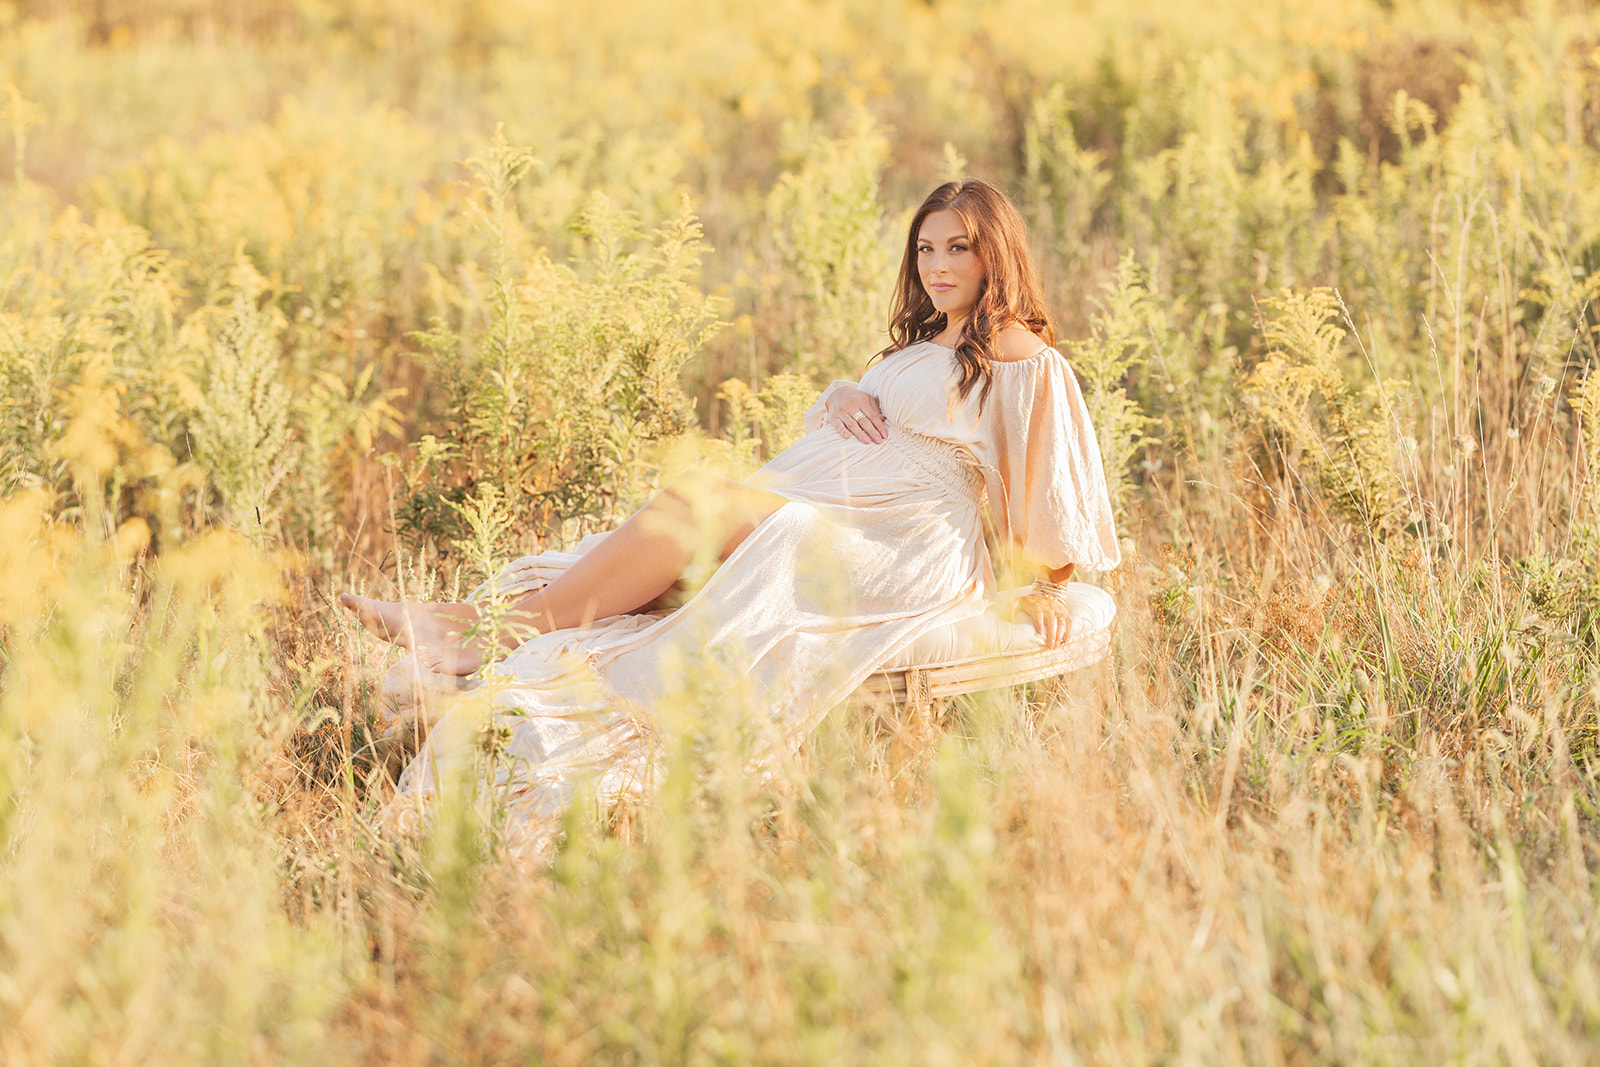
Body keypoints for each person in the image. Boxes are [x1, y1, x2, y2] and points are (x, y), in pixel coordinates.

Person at [341, 178, 1121, 859]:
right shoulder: (922, 343)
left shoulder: (1022, 356)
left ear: (997, 255)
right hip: (835, 503)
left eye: (960, 248)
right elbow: (875, 413)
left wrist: (1047, 584)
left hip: (901, 539)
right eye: (925, 250)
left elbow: (1047, 481)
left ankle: (477, 631)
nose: (940, 267)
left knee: (703, 505)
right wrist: (847, 393)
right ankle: (472, 623)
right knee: (688, 506)